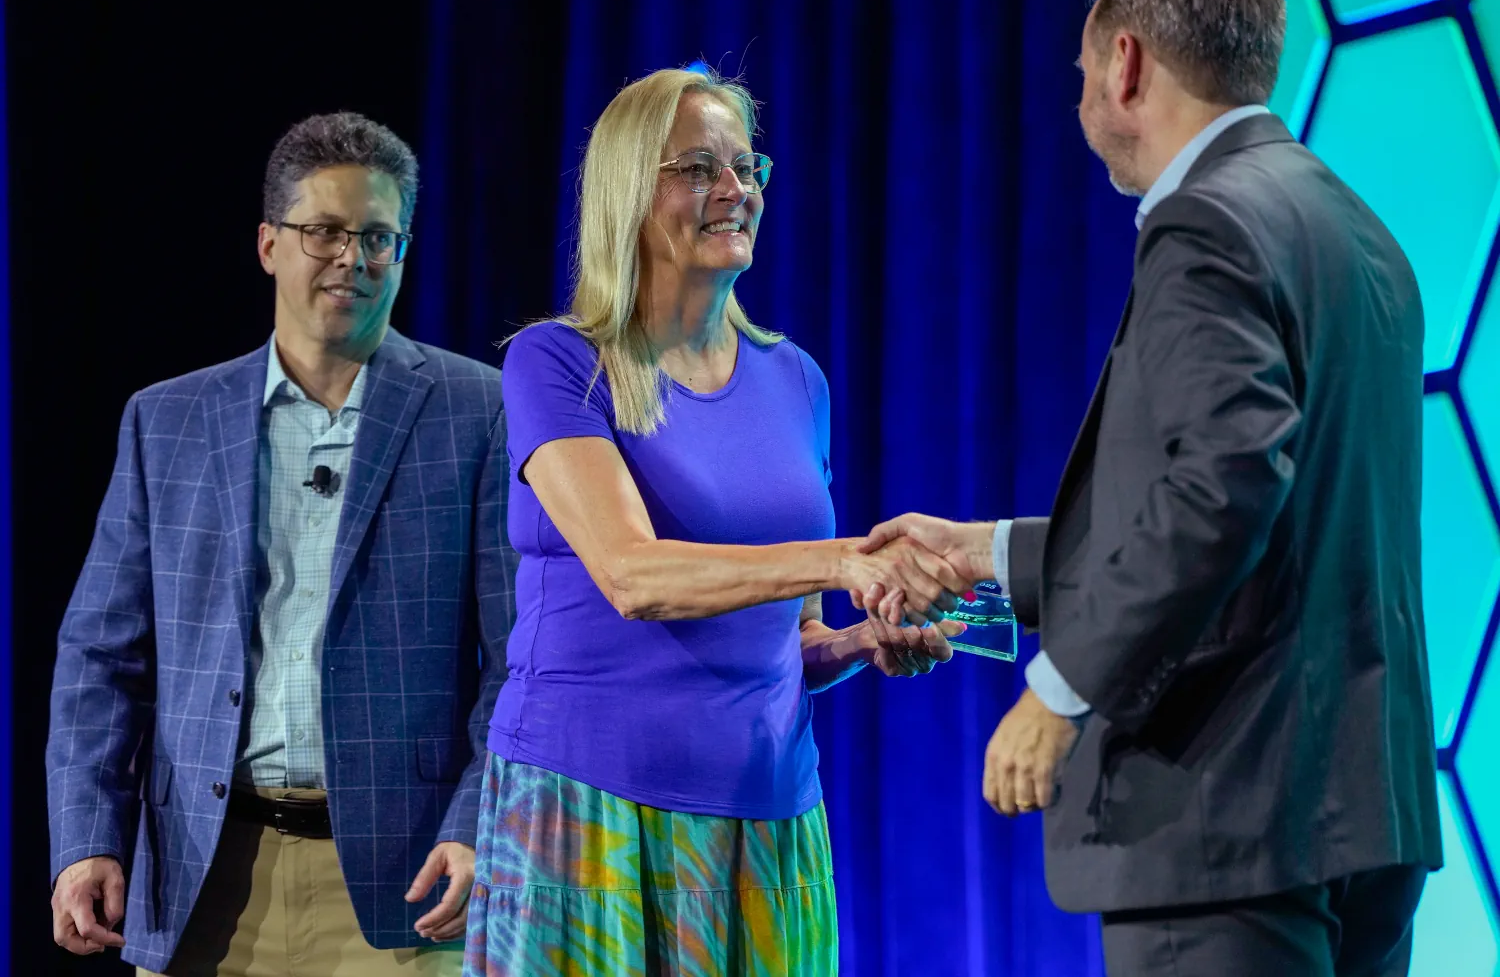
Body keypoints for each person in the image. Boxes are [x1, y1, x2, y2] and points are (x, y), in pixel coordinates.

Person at [858, 0, 1443, 974]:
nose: (1078, 79)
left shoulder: (1207, 223)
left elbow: (1223, 487)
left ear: (1125, 62)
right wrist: (988, 553)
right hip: (1360, 816)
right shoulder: (1360, 232)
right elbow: (1274, 517)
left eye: (1083, 58)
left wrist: (1062, 687)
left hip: (1225, 820)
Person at [464, 67, 968, 977]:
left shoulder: (796, 381)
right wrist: (843, 558)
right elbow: (634, 576)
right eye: (699, 169)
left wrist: (854, 644)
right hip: (589, 817)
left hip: (768, 820)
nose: (737, 192)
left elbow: (786, 633)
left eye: (747, 167)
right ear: (629, 189)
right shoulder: (557, 362)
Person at [46, 112, 519, 977]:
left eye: (380, 236)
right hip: (202, 876)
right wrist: (86, 840)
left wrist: (473, 828)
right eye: (325, 232)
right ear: (269, 244)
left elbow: (520, 659)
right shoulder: (169, 421)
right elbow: (100, 658)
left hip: (404, 889)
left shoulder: (479, 412)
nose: (353, 258)